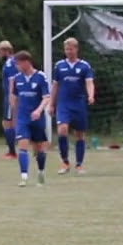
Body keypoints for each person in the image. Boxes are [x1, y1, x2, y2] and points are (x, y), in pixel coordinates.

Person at [50, 38, 96, 175]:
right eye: (66, 49)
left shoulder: (84, 66)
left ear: (76, 49)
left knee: (79, 134)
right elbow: (55, 85)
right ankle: (65, 162)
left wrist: (91, 95)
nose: (69, 52)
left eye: (71, 49)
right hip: (63, 104)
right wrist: (51, 103)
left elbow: (89, 82)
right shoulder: (59, 66)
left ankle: (79, 165)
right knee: (62, 129)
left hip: (78, 104)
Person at [8, 50, 51, 187]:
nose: (17, 66)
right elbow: (14, 97)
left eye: (18, 64)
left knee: (39, 149)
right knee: (23, 146)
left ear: (26, 62)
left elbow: (46, 97)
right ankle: (24, 177)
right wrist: (14, 115)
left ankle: (41, 172)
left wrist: (39, 110)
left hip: (37, 118)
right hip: (23, 118)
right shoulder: (17, 79)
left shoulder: (40, 77)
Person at [0, 40, 20, 159]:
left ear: (6, 51)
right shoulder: (14, 61)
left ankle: (12, 152)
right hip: (12, 95)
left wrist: (11, 96)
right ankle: (13, 149)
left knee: (8, 123)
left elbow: (12, 80)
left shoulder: (10, 63)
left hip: (11, 96)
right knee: (11, 123)